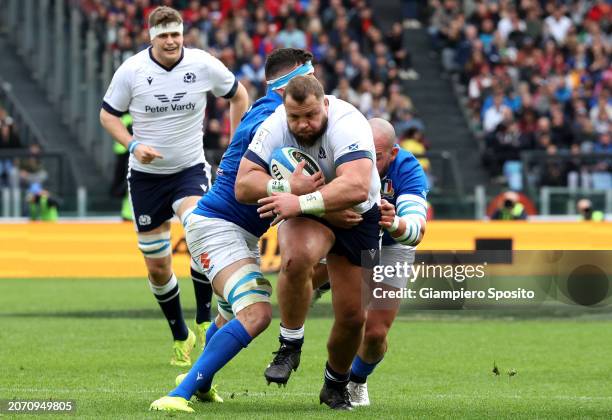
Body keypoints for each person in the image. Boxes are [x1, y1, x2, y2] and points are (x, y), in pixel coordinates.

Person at [149, 49, 318, 413]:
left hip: (236, 230)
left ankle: (199, 384)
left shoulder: (267, 111)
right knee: (256, 313)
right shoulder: (273, 118)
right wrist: (293, 189)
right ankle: (176, 397)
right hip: (218, 226)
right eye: (310, 75)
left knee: (228, 314)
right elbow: (247, 185)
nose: (316, 83)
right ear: (292, 82)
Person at [99, 5, 249, 367]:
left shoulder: (202, 64)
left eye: (176, 34)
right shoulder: (132, 71)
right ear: (151, 37)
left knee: (198, 228)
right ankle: (182, 333)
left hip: (189, 170)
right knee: (158, 268)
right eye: (163, 35)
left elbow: (239, 96)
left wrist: (235, 144)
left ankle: (202, 314)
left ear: (183, 34)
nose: (171, 41)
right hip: (147, 179)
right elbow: (107, 115)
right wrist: (134, 144)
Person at [235, 76, 381, 410]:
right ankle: (290, 344)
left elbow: (357, 187)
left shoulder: (349, 123)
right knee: (295, 258)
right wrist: (283, 188)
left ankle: (334, 384)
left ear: (325, 104)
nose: (303, 125)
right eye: (295, 117)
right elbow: (243, 185)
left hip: (357, 215)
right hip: (306, 208)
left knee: (352, 317)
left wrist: (300, 200)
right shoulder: (275, 125)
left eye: (311, 116)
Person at [346, 118, 428, 405]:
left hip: (393, 246)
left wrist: (394, 223)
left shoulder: (408, 168)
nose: (367, 160)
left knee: (376, 331)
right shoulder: (346, 151)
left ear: (393, 153)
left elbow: (416, 231)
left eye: (377, 156)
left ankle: (356, 380)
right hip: (346, 239)